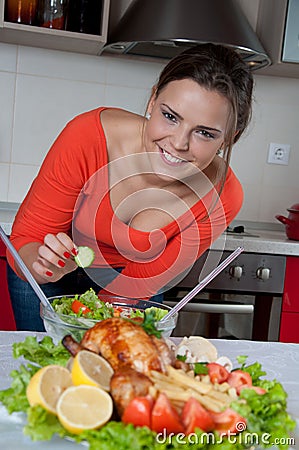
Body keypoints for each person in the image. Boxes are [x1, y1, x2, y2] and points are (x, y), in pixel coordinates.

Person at [7, 43, 254, 331]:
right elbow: (26, 239)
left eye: (204, 133)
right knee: (41, 369)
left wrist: (94, 329)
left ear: (228, 138)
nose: (179, 143)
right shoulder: (88, 136)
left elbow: (140, 279)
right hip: (45, 282)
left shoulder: (223, 195)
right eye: (170, 117)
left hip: (132, 287)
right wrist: (43, 264)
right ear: (152, 101)